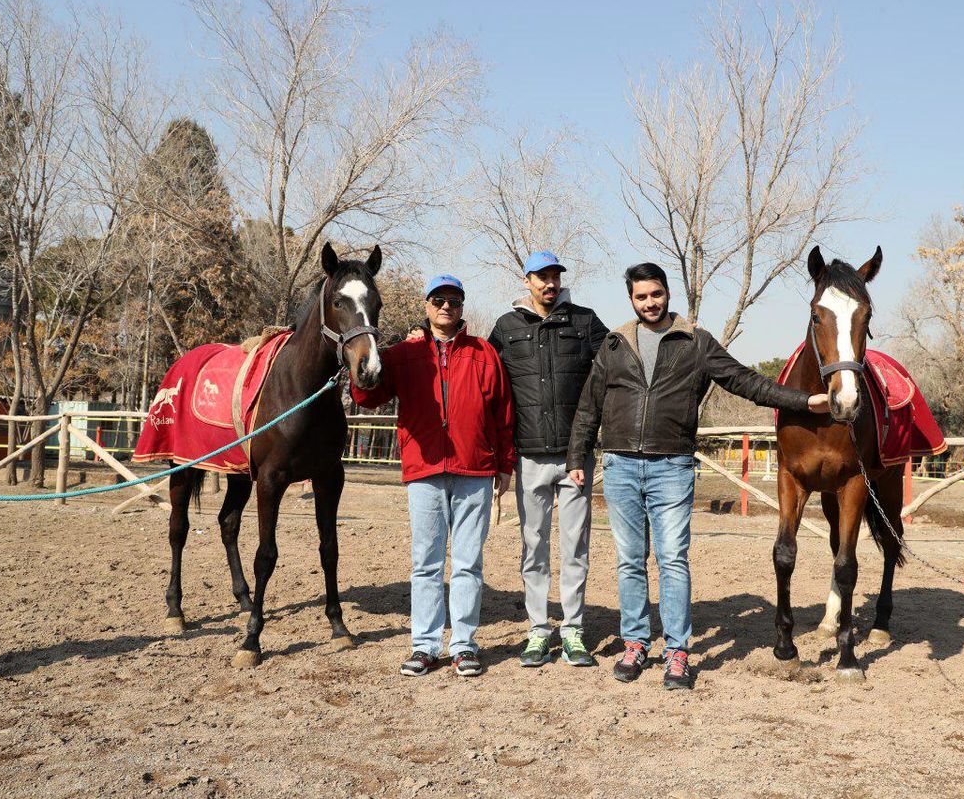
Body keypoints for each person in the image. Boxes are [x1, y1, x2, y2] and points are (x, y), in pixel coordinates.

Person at [566, 263, 829, 690]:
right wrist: (578, 454)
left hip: (671, 466)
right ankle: (635, 644)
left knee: (672, 560)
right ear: (631, 300)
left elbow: (747, 383)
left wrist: (803, 401)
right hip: (620, 465)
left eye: (656, 294)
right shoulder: (614, 344)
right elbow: (588, 405)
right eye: (641, 297)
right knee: (630, 561)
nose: (650, 302)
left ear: (668, 294)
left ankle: (676, 652)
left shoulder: (696, 343)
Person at [352, 274, 515, 678]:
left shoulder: (484, 354)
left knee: (467, 563)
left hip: (474, 470)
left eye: (455, 301)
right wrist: (359, 362)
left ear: (461, 308)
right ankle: (425, 645)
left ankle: (463, 645)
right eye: (439, 300)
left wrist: (505, 464)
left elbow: (503, 414)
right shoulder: (405, 355)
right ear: (426, 306)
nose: (447, 307)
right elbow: (368, 396)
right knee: (425, 563)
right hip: (424, 472)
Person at [487, 251, 608, 668]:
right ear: (527, 281)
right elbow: (482, 372)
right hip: (529, 457)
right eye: (542, 276)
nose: (550, 283)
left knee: (576, 547)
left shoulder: (585, 321)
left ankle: (573, 629)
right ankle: (539, 630)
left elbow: (617, 360)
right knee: (533, 546)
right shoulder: (506, 327)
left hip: (576, 456)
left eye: (555, 275)